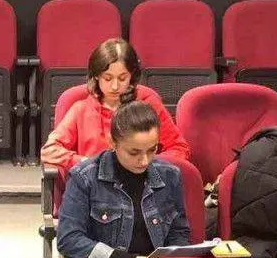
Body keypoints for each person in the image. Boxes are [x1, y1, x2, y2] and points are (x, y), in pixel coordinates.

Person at [56, 101, 192, 258]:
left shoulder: (169, 175)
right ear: (113, 142)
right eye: (134, 152)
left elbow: (179, 232)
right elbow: (69, 239)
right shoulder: (85, 177)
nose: (144, 160)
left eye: (152, 150)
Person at [40, 38, 190, 172]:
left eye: (122, 78)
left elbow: (178, 148)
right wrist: (86, 163)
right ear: (96, 76)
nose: (115, 86)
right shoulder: (81, 110)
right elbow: (50, 150)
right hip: (96, 186)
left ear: (132, 76)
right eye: (107, 78)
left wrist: (148, 164)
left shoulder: (147, 103)